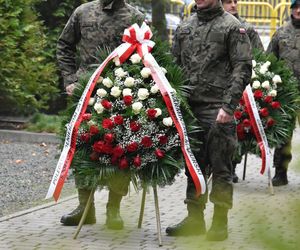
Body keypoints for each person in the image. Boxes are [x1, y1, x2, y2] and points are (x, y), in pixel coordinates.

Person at [166, 0, 252, 241]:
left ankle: (219, 222)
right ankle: (194, 219)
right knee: (194, 168)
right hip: (190, 110)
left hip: (218, 110)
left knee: (221, 167)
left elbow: (243, 68)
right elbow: (174, 66)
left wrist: (228, 105)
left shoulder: (232, 26)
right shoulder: (185, 26)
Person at [56, 0, 144, 229]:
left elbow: (146, 54)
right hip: (85, 92)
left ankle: (113, 209)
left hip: (120, 94)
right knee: (82, 147)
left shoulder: (134, 16)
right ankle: (85, 207)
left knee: (120, 150)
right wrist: (70, 79)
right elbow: (64, 45)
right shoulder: (82, 12)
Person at [221, 0, 264, 183]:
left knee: (237, 128)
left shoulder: (246, 28)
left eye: (234, 1)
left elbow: (260, 55)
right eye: (228, 2)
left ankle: (232, 166)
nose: (233, 5)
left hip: (239, 88)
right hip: (216, 87)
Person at [266, 0, 300, 186]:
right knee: (283, 135)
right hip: (286, 94)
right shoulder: (281, 33)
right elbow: (269, 60)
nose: (298, 10)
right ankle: (281, 172)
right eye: (295, 7)